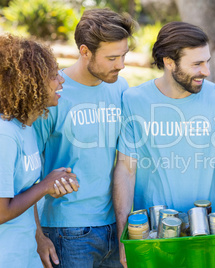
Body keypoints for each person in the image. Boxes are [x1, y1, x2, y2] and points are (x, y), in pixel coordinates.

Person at [114, 21, 215, 268]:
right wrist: (124, 237)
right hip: (152, 241)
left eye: (207, 61)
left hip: (210, 239)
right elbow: (126, 170)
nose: (206, 71)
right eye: (197, 64)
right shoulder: (134, 101)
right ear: (169, 62)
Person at [33, 8, 136, 268]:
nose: (121, 65)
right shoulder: (54, 93)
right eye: (112, 57)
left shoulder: (120, 88)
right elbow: (25, 172)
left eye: (124, 55)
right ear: (84, 51)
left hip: (115, 226)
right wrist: (38, 236)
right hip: (67, 231)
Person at [0, 34, 79, 267]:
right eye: (53, 75)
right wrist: (46, 185)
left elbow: (25, 190)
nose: (61, 81)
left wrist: (39, 238)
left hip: (26, 254)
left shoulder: (26, 126)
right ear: (28, 82)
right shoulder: (5, 135)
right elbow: (2, 212)